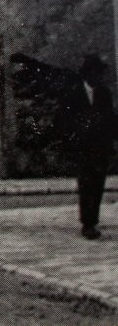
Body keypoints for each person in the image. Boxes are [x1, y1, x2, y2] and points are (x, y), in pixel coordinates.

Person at [70, 55, 116, 239]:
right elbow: (66, 120)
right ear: (88, 74)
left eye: (101, 74)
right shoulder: (74, 93)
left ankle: (92, 221)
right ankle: (87, 224)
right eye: (97, 73)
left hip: (100, 147)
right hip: (82, 148)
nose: (99, 77)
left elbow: (111, 118)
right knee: (86, 184)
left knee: (97, 185)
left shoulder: (104, 93)